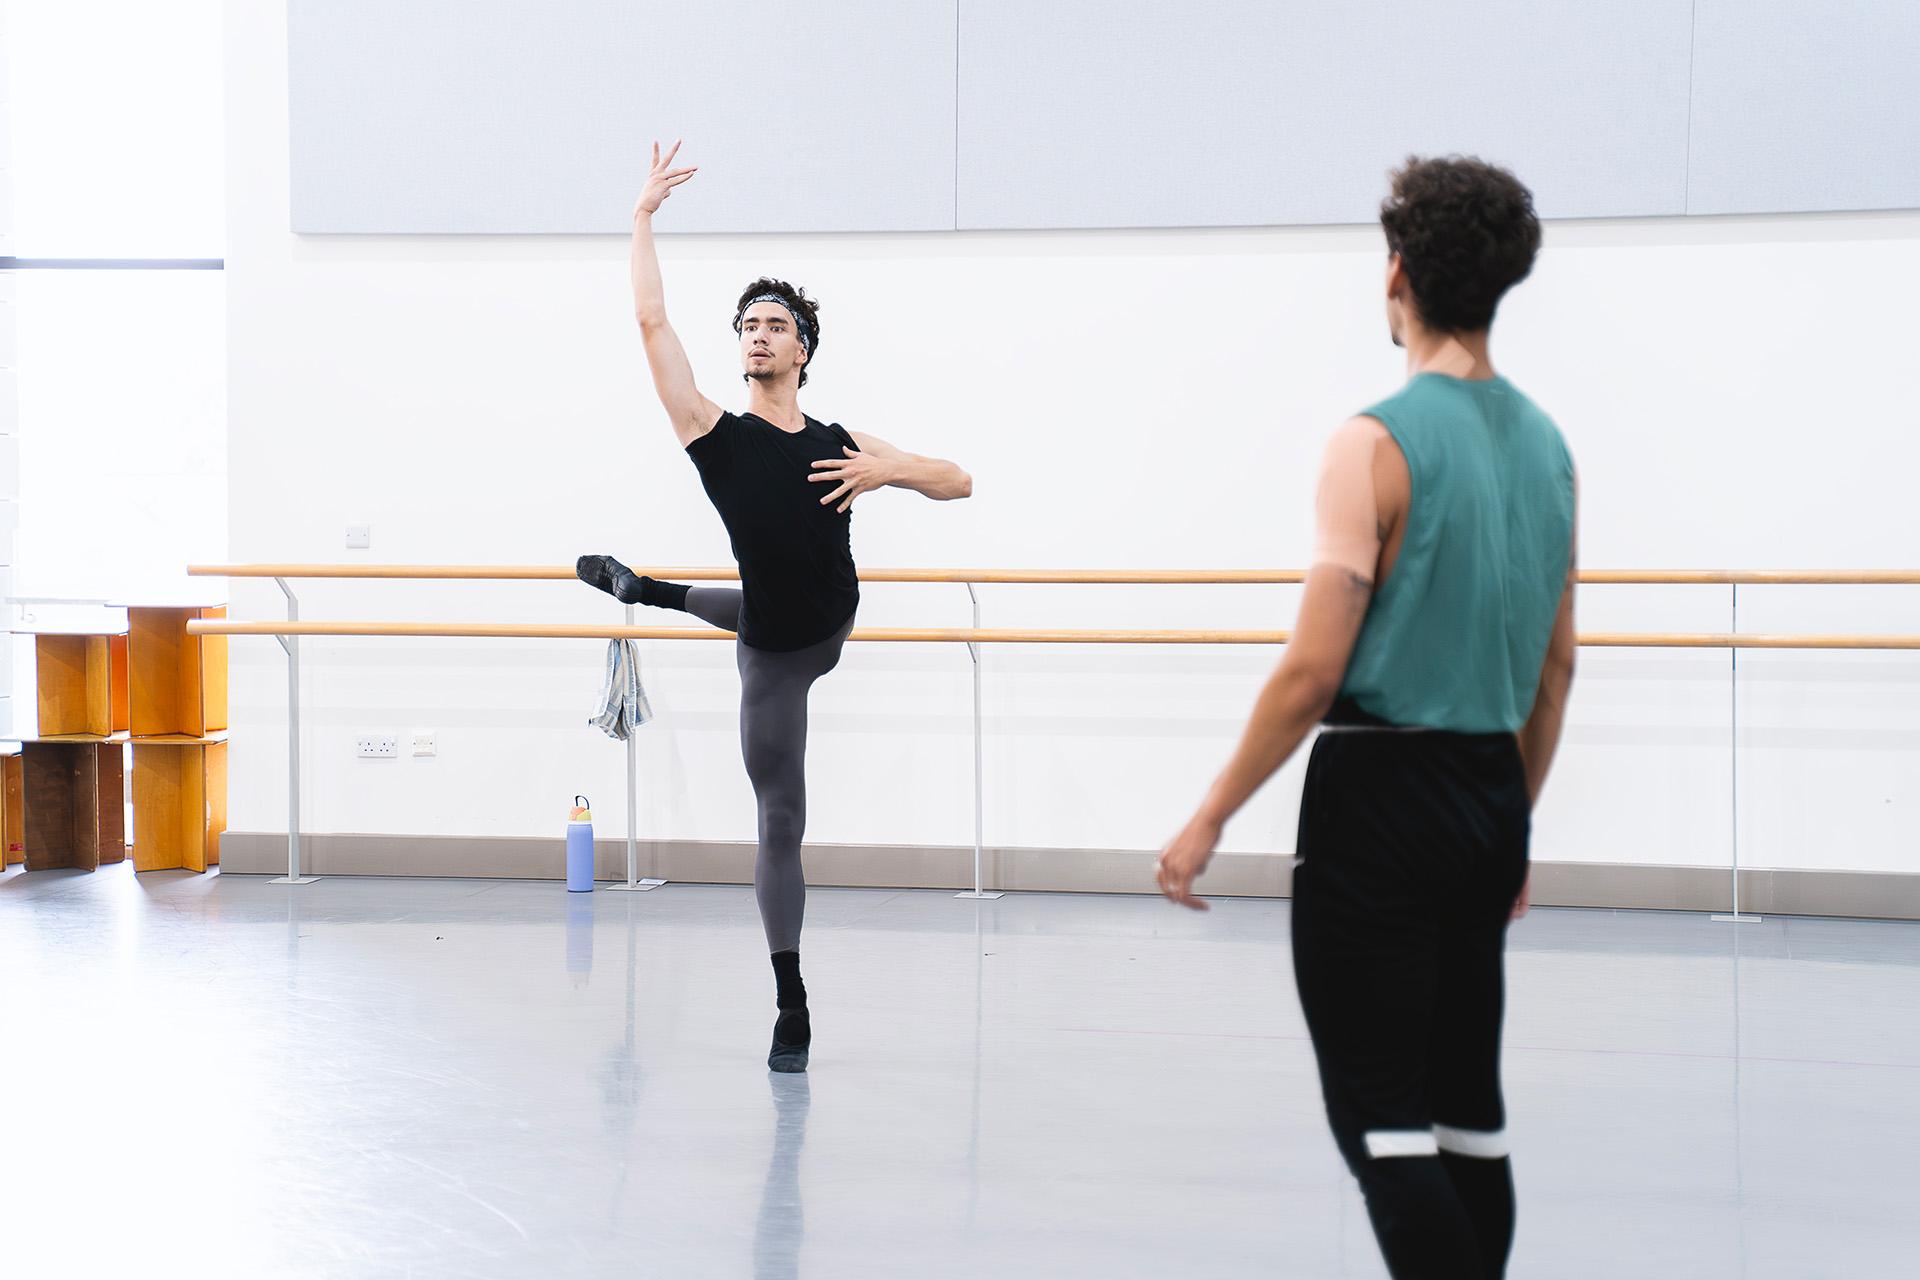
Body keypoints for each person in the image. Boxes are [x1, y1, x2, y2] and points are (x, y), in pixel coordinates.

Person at [1155, 155, 1577, 1279]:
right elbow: (1558, 668)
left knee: (1381, 1120)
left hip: (1380, 803)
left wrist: (1209, 814)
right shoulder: (1548, 447)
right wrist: (1511, 824)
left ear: (1397, 273)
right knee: (1465, 1111)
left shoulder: (1373, 441)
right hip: (1491, 787)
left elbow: (1310, 671)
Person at [579, 142, 973, 1074]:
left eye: (776, 324)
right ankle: (790, 996)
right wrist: (640, 216)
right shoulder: (714, 437)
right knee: (781, 816)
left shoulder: (842, 442)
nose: (758, 334)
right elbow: (649, 319)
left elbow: (959, 481)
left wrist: (891, 470)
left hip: (834, 617)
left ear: (803, 348)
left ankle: (655, 592)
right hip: (776, 655)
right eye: (748, 324)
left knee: (774, 598)